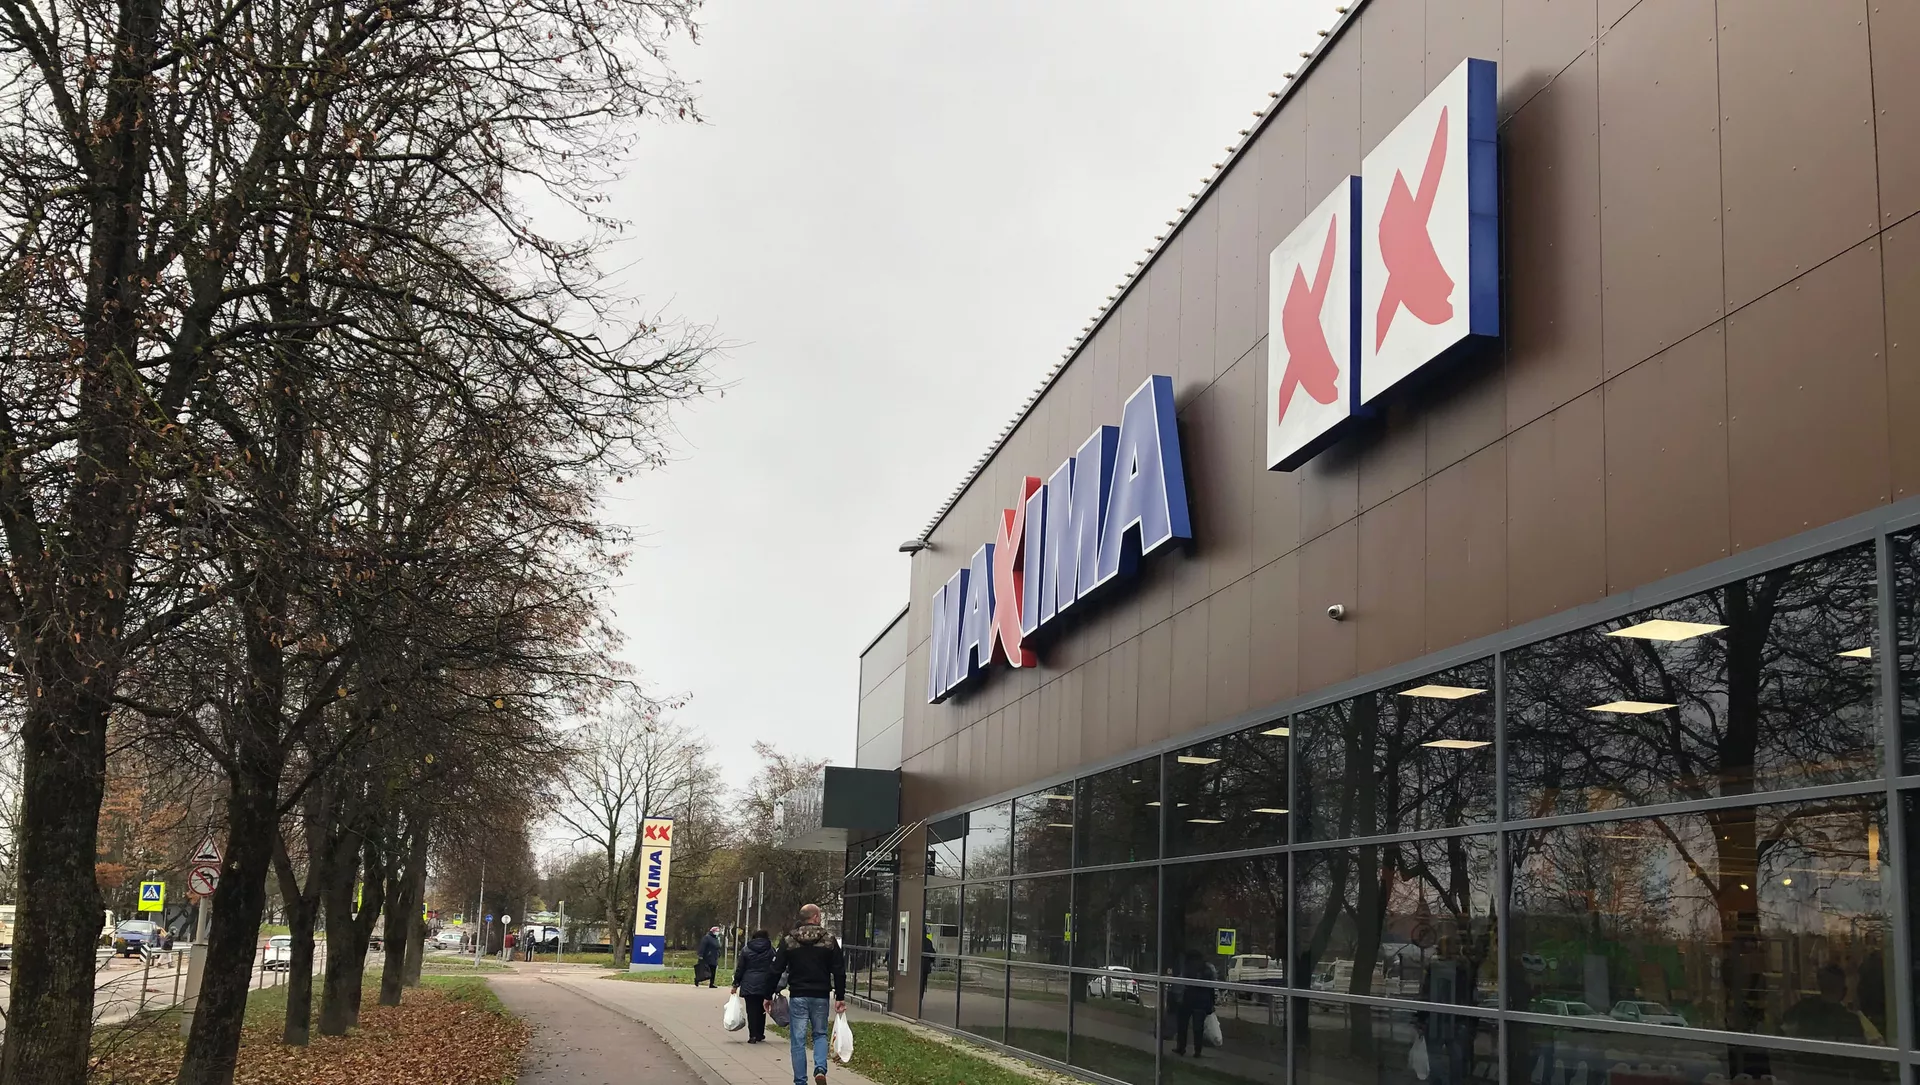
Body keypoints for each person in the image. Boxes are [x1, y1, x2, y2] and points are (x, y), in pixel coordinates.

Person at [767, 903, 846, 1085]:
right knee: (820, 1034)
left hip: (798, 995)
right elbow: (839, 970)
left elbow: (776, 969)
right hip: (820, 995)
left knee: (798, 1040)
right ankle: (820, 1068)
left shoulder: (789, 941)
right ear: (816, 917)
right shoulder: (829, 940)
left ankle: (800, 1081)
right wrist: (840, 997)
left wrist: (768, 994)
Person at [732, 929, 778, 1043]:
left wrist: (736, 983)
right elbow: (775, 967)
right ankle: (760, 1034)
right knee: (762, 1008)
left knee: (751, 1010)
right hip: (765, 982)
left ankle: (752, 1035)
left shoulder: (746, 949)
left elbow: (740, 968)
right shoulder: (770, 949)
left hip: (749, 982)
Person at [1170, 951, 1217, 1058]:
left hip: (1187, 999)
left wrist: (1177, 997)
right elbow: (1211, 987)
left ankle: (1181, 1047)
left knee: (1182, 1025)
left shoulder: (1187, 967)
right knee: (1198, 1028)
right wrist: (1211, 1003)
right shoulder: (1207, 968)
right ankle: (1197, 1051)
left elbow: (1182, 983)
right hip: (1201, 1001)